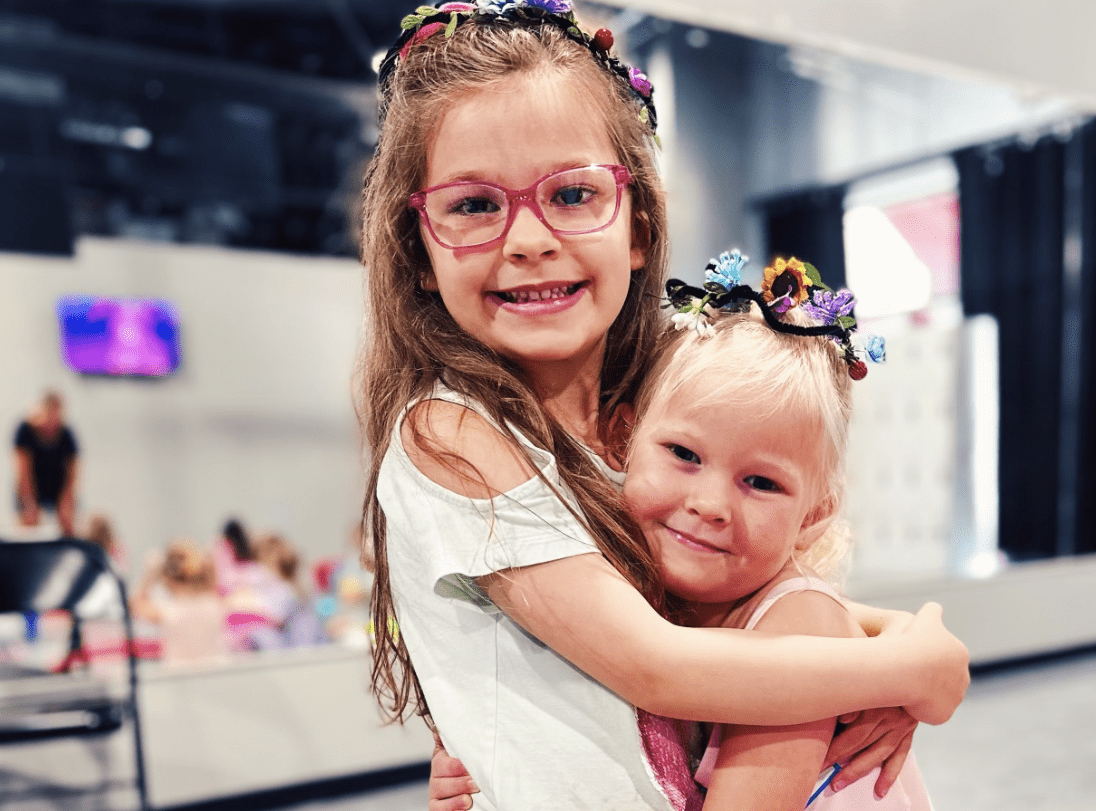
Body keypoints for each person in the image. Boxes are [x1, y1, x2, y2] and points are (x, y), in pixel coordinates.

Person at [360, 2, 968, 809]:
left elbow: (725, 604)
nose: (528, 239)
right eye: (474, 205)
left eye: (572, 194)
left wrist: (880, 651)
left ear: (639, 226)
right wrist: (907, 669)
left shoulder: (638, 419)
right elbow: (656, 662)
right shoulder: (454, 434)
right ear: (421, 252)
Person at [429, 262, 933, 810]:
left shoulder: (802, 626)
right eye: (684, 455)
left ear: (813, 515)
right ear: (623, 438)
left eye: (761, 483)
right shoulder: (636, 604)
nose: (711, 505)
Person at [129, 538, 229, 665]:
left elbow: (135, 605)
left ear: (167, 578)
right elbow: (211, 581)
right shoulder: (215, 603)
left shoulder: (167, 610)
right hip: (215, 676)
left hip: (179, 680)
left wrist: (149, 574)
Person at [13, 390, 79, 537]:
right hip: (33, 483)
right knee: (28, 522)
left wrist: (66, 503)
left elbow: (73, 474)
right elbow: (22, 472)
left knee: (68, 521)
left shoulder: (67, 434)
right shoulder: (25, 430)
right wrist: (29, 503)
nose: (52, 423)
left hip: (57, 484)